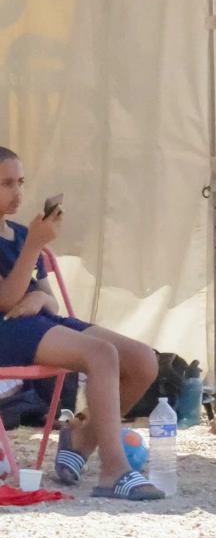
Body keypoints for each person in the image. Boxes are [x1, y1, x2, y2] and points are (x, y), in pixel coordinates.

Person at [0, 149, 163, 499]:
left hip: (40, 322)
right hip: (7, 331)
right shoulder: (27, 239)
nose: (18, 192)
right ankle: (114, 471)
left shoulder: (18, 232)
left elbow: (49, 298)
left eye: (21, 182)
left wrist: (40, 298)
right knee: (101, 354)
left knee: (143, 360)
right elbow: (7, 300)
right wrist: (35, 245)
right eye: (7, 183)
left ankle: (80, 438)